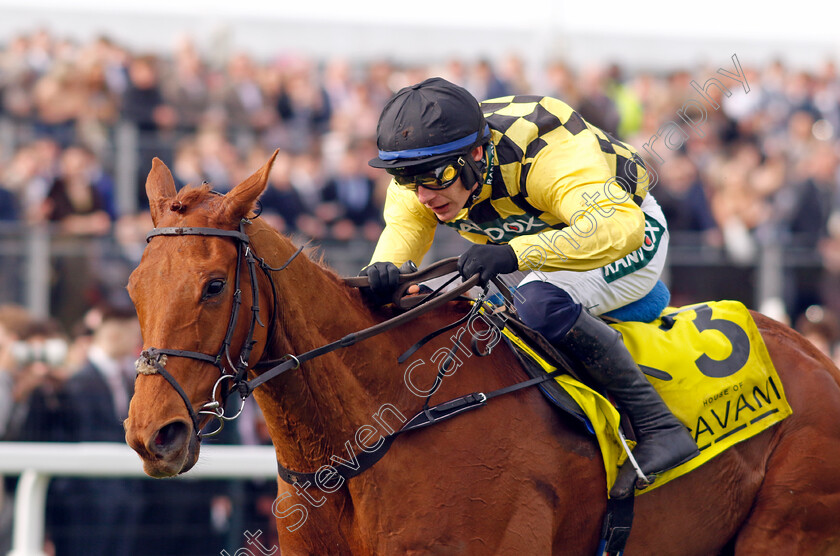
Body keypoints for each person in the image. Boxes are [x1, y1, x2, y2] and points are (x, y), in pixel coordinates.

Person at [361, 77, 699, 499]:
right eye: (406, 181)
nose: (424, 195)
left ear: (476, 154)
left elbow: (617, 228)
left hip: (625, 234)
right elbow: (406, 227)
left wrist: (514, 254)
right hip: (542, 248)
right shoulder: (425, 165)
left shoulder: (543, 148)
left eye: (437, 178)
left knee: (535, 301)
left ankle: (659, 426)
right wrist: (384, 268)